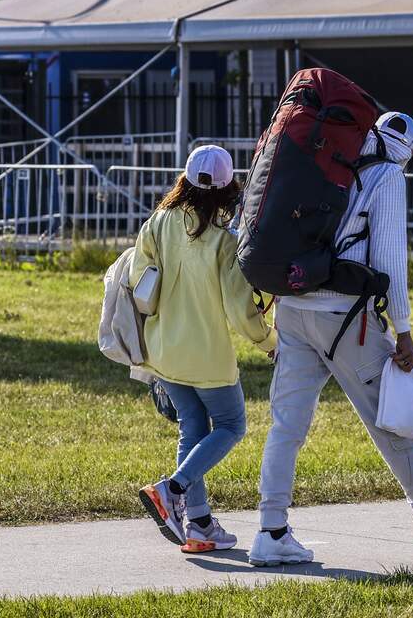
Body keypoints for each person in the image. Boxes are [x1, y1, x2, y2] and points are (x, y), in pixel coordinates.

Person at [248, 112, 413, 567]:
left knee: (287, 425)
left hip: (293, 308)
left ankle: (271, 530)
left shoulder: (326, 162)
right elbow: (389, 261)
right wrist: (404, 330)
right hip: (344, 317)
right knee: (390, 419)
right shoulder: (387, 176)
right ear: (410, 153)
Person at [132, 146, 276, 553]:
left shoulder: (158, 222)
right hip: (208, 356)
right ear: (231, 185)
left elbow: (138, 278)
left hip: (162, 350)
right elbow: (239, 308)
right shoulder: (226, 237)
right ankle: (171, 488)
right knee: (231, 425)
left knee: (192, 429)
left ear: (185, 177)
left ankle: (198, 526)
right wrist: (269, 341)